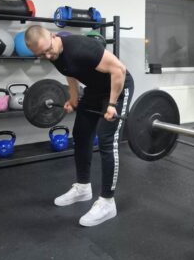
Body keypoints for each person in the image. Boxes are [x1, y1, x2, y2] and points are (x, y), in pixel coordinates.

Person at [25, 25, 134, 227]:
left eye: (48, 50)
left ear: (53, 36)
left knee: (106, 139)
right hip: (95, 90)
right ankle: (83, 188)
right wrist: (73, 99)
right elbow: (71, 73)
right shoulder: (55, 54)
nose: (48, 56)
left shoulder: (81, 48)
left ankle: (107, 202)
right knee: (81, 134)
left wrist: (111, 104)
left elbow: (118, 69)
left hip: (117, 87)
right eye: (42, 55)